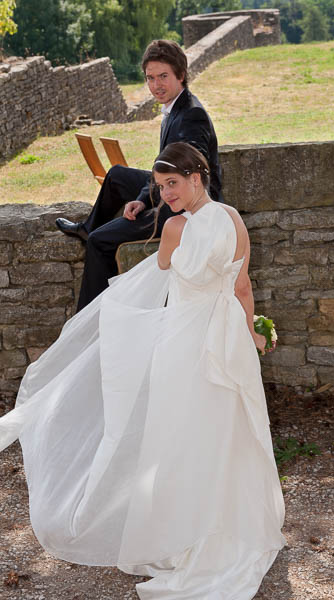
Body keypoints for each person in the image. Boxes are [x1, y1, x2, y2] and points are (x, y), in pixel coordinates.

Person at [0, 142, 286, 600]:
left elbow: (169, 277)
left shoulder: (175, 229)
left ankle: (191, 531)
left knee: (191, 435)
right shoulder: (233, 219)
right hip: (226, 337)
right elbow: (241, 285)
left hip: (188, 340)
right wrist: (252, 333)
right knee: (218, 430)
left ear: (197, 177)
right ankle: (227, 524)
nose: (166, 194)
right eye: (159, 186)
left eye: (172, 184)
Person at [56, 39, 223, 311]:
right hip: (168, 189)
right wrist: (144, 198)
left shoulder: (192, 115)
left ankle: (90, 321)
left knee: (101, 241)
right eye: (150, 78)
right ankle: (88, 227)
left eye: (163, 77)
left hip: (183, 208)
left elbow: (190, 179)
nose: (156, 85)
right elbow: (165, 168)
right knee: (117, 175)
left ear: (181, 75)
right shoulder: (174, 108)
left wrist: (153, 202)